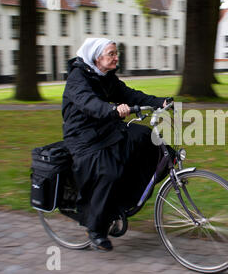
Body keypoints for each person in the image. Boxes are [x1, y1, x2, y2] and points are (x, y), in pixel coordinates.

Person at [62, 38, 170, 251]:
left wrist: (160, 102)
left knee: (146, 138)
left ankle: (122, 202)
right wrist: (112, 110)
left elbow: (129, 94)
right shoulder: (78, 77)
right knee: (109, 172)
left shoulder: (106, 77)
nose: (116, 57)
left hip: (105, 129)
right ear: (97, 57)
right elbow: (89, 103)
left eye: (115, 53)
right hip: (82, 137)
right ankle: (95, 229)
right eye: (111, 53)